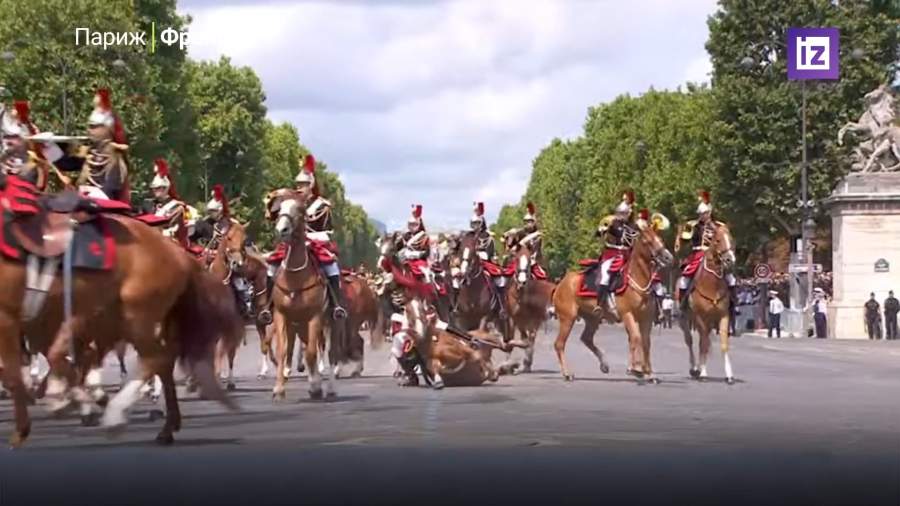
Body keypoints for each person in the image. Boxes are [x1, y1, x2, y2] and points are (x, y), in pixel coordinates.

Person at [291, 153, 347, 319]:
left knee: (331, 269)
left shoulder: (322, 206)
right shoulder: (292, 204)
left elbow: (326, 230)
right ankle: (268, 305)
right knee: (274, 266)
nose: (299, 188)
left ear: (311, 185)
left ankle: (336, 305)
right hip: (296, 243)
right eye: (298, 185)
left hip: (318, 243)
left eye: (303, 185)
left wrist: (310, 239)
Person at [53, 88, 131, 203]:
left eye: (96, 127)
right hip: (92, 161)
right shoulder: (88, 153)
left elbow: (121, 141)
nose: (92, 131)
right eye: (91, 127)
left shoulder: (112, 118)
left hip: (109, 162)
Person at [675, 191, 737, 311]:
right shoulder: (692, 225)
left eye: (707, 213)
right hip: (697, 255)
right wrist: (680, 236)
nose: (705, 216)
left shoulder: (719, 226)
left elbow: (726, 240)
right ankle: (683, 305)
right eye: (703, 214)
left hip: (716, 256)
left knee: (731, 279)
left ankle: (733, 304)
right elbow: (684, 239)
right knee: (684, 280)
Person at [594, 190, 637, 317]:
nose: (625, 215)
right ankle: (599, 304)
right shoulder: (612, 223)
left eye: (627, 213)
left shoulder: (632, 226)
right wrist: (601, 230)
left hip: (628, 254)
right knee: (606, 276)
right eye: (623, 213)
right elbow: (598, 234)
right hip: (612, 254)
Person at [0, 101, 55, 191]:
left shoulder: (30, 129)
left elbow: (39, 151)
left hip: (24, 171)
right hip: (7, 170)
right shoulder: (6, 128)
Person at [465, 202, 507, 317]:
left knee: (500, 280)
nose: (475, 226)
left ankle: (502, 306)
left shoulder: (487, 236)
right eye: (473, 223)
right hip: (469, 263)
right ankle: (455, 306)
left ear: (481, 223)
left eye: (477, 223)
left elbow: (491, 251)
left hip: (485, 263)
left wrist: (483, 255)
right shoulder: (468, 236)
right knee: (458, 279)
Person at [149, 159, 189, 249]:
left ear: (165, 188)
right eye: (154, 188)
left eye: (158, 188)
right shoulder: (152, 206)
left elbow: (170, 231)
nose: (155, 190)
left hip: (170, 247)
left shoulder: (177, 207)